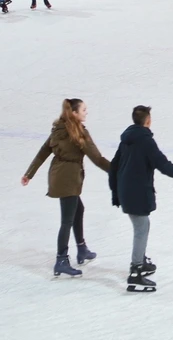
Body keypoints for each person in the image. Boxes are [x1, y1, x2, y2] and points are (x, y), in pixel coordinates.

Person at [108, 105, 173, 293]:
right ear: (148, 120)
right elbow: (164, 165)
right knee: (141, 228)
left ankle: (140, 261)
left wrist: (116, 193)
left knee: (143, 226)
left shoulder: (126, 139)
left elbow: (114, 166)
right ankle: (135, 271)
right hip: (137, 191)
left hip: (126, 190)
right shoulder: (146, 141)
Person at [21, 98, 111, 278]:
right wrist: (118, 171)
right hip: (68, 178)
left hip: (58, 175)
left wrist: (29, 173)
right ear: (75, 113)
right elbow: (97, 159)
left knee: (79, 209)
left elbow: (43, 152)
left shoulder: (59, 129)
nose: (87, 112)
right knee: (66, 220)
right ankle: (61, 260)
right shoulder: (79, 133)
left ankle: (81, 248)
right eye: (84, 110)